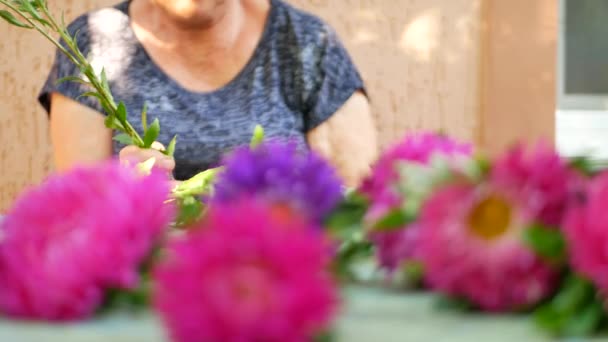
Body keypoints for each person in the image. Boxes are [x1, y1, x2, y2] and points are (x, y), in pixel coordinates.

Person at [39, 0, 377, 186]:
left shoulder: (306, 42)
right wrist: (122, 197)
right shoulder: (92, 41)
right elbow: (79, 208)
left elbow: (357, 204)